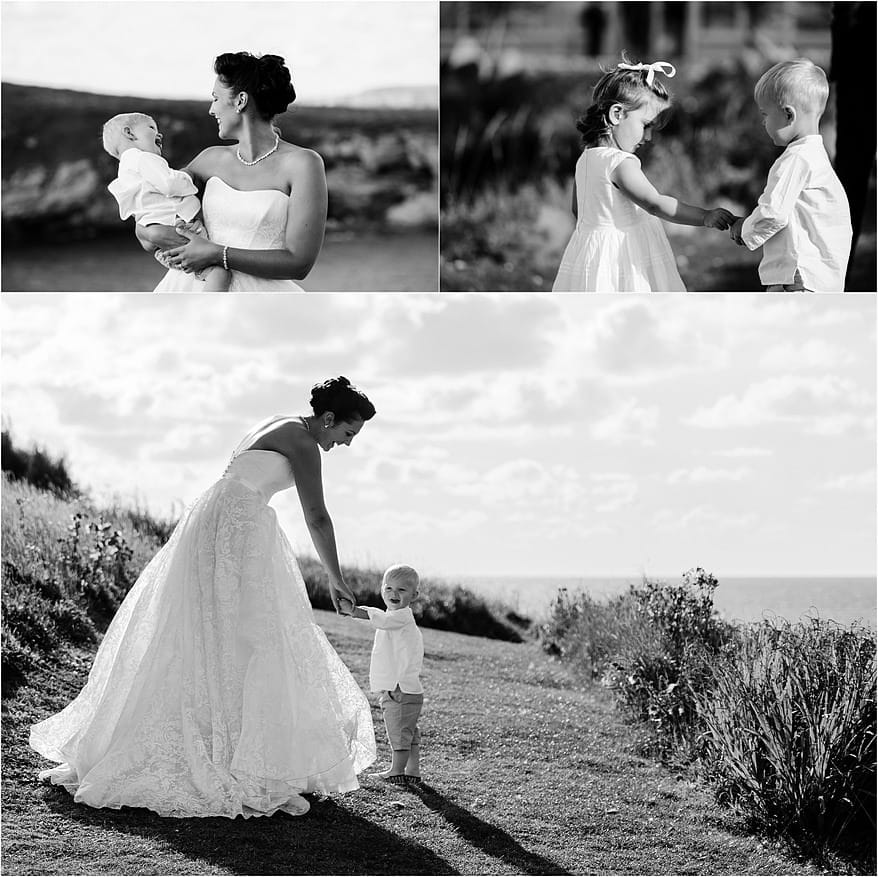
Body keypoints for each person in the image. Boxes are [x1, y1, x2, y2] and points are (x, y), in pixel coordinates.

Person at [30, 377, 377, 819]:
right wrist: (336, 578)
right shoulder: (303, 440)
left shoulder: (279, 422)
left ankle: (231, 744)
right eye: (347, 433)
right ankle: (230, 755)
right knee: (249, 636)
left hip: (218, 519)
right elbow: (317, 517)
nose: (345, 444)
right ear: (328, 418)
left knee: (218, 634)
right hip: (237, 527)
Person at [136, 52, 327, 292]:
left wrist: (216, 254)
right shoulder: (209, 159)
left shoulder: (303, 164)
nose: (211, 109)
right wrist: (155, 234)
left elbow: (300, 264)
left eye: (215, 98)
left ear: (240, 100)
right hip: (190, 287)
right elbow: (149, 212)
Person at [552, 56, 736, 292]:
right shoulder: (621, 163)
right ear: (617, 114)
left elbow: (579, 210)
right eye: (645, 125)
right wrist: (704, 216)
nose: (648, 138)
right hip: (624, 256)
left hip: (590, 255)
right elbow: (655, 204)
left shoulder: (586, 159)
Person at [728, 58, 853, 292]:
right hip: (820, 276)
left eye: (765, 114)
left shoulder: (796, 159)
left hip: (797, 277)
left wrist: (744, 229)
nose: (763, 122)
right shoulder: (816, 157)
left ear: (788, 114)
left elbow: (773, 213)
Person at [102, 112, 230, 290]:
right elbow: (170, 184)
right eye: (152, 128)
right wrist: (186, 176)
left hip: (162, 235)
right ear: (129, 133)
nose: (159, 134)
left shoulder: (125, 170)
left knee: (201, 273)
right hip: (179, 228)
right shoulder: (141, 158)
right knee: (219, 273)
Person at [344, 565, 424, 787]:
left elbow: (382, 620)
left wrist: (355, 611)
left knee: (399, 731)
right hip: (406, 688)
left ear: (414, 595)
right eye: (388, 588)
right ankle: (412, 770)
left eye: (401, 590)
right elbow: (382, 620)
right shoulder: (394, 617)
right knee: (408, 731)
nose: (393, 594)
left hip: (399, 688)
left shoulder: (400, 618)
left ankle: (396, 771)